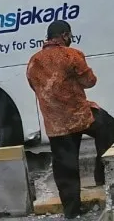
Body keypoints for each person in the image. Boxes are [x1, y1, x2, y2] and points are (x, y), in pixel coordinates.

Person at [26, 20, 114, 218]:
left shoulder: (33, 62)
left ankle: (72, 212)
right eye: (70, 35)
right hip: (80, 116)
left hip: (55, 124)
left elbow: (35, 87)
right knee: (108, 126)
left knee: (65, 167)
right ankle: (101, 173)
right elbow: (90, 81)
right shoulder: (71, 55)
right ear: (65, 35)